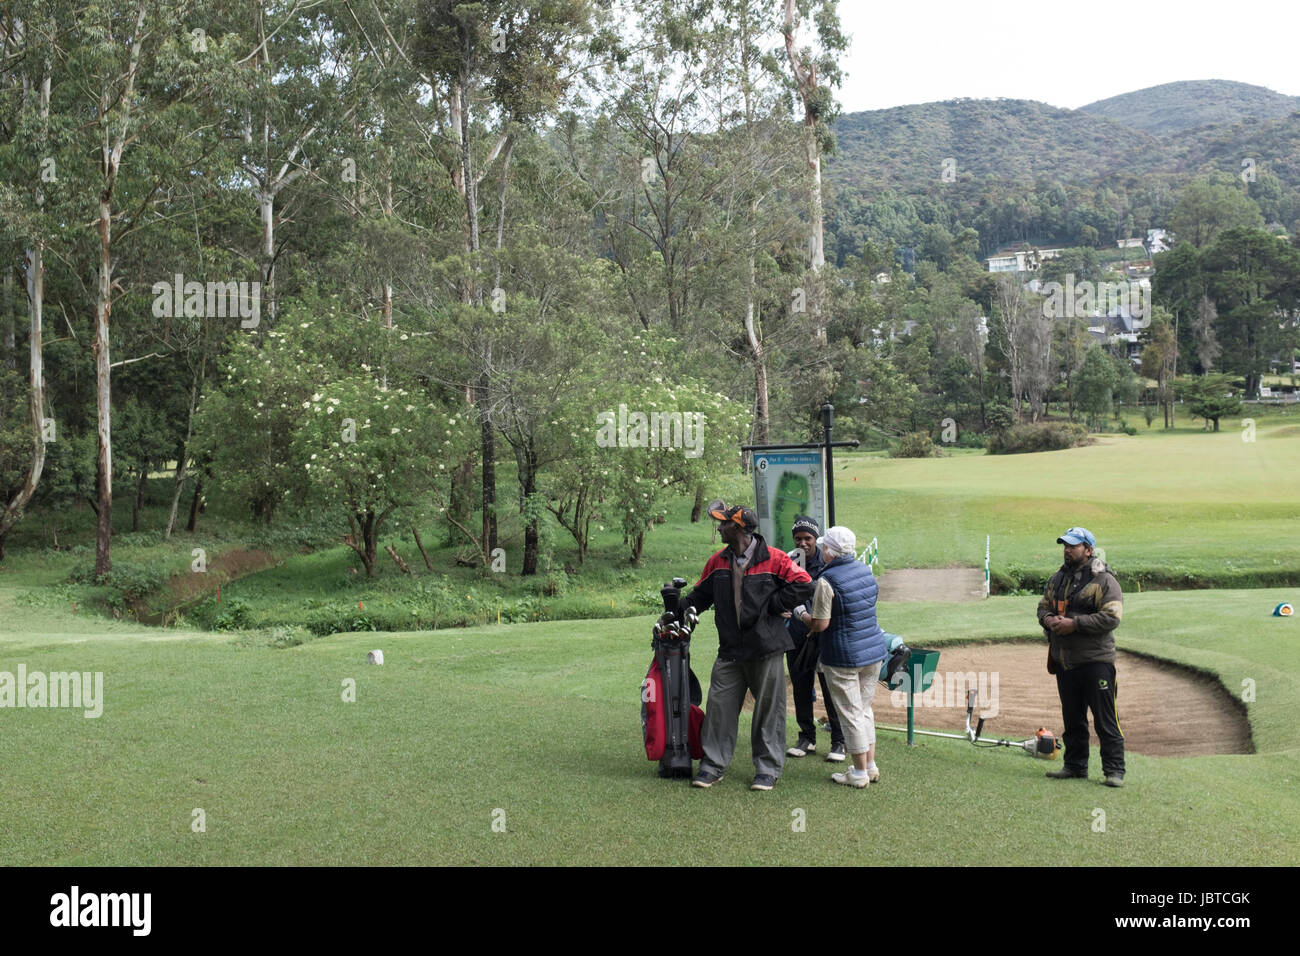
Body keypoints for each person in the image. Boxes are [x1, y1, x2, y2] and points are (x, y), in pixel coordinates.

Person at [677, 503, 813, 791]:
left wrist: (774, 606)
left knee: (768, 712)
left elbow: (804, 583)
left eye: (723, 524)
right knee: (718, 709)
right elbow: (699, 597)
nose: (719, 527)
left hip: (766, 648)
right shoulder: (717, 561)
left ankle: (767, 769)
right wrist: (676, 607)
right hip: (730, 649)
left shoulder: (775, 559)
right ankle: (712, 766)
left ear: (737, 528)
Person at [798, 526, 888, 788]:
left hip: (844, 655)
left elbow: (820, 624)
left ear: (829, 551)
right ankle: (869, 766)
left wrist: (799, 615)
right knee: (863, 709)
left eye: (825, 547)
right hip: (873, 651)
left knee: (850, 713)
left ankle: (859, 773)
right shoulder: (866, 571)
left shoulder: (828, 581)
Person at [1036, 526, 1126, 787]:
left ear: (1088, 550)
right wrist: (1049, 618)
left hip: (1096, 662)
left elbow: (1112, 617)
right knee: (1072, 718)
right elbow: (1043, 605)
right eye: (1065, 545)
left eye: (1073, 545)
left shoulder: (1105, 580)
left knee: (1106, 720)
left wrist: (1074, 624)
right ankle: (1075, 767)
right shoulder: (1057, 578)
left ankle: (1114, 771)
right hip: (1065, 661)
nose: (1067, 549)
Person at [782, 515, 848, 762]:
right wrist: (802, 615)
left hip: (824, 636)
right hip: (797, 634)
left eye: (807, 538)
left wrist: (817, 621)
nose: (803, 543)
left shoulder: (828, 562)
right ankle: (806, 737)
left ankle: (839, 741)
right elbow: (785, 592)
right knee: (800, 685)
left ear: (816, 540)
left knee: (830, 688)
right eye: (798, 538)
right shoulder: (789, 561)